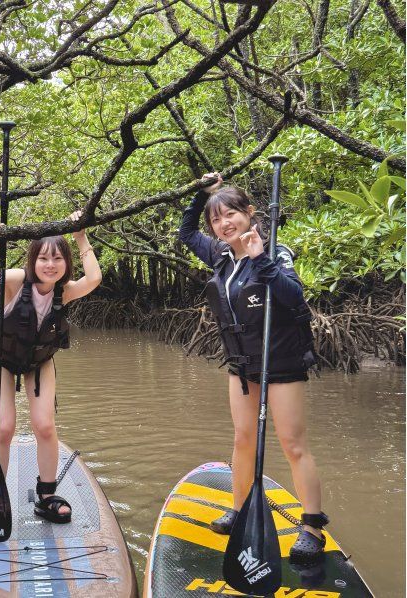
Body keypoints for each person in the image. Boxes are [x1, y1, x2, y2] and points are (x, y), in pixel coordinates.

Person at [179, 173, 327, 562]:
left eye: (231, 215)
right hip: (242, 367)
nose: (224, 224)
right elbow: (185, 233)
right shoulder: (220, 254)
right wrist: (201, 193)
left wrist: (261, 258)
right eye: (216, 220)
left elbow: (294, 296)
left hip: (280, 364)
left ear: (249, 214)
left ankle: (311, 527)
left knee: (294, 445)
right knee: (242, 439)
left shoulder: (276, 252)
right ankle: (240, 507)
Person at [0, 210, 102, 523]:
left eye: (58, 259)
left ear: (66, 263)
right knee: (4, 428)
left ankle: (46, 496)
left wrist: (80, 235)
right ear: (33, 260)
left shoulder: (65, 290)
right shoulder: (16, 280)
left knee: (45, 426)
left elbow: (94, 279)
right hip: (1, 361)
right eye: (44, 258)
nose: (50, 265)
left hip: (39, 362)